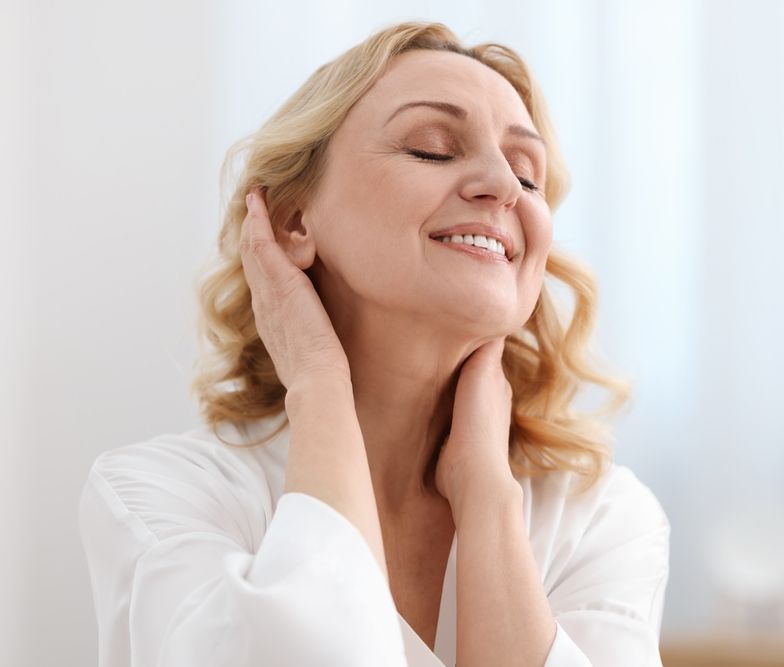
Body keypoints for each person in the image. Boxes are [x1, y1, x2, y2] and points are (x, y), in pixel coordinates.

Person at [78, 20, 670, 667]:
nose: (503, 186)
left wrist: (486, 493)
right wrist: (319, 386)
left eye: (528, 175)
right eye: (433, 148)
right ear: (293, 221)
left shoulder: (602, 520)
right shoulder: (160, 495)